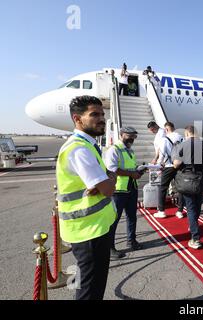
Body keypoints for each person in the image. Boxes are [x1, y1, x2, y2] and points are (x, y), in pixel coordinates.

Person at [55, 95, 117, 300]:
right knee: (90, 290)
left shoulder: (87, 145)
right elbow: (108, 189)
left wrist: (104, 181)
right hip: (89, 231)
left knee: (85, 284)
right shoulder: (80, 149)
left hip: (89, 228)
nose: (102, 118)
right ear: (77, 119)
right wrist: (109, 179)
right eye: (94, 114)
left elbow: (103, 183)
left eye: (102, 114)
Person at [103, 126, 144, 259]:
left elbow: (129, 167)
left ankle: (131, 241)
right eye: (129, 135)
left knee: (132, 216)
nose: (132, 138)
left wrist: (139, 170)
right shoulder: (114, 150)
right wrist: (132, 173)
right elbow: (112, 169)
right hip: (118, 190)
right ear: (121, 135)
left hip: (131, 188)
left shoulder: (130, 151)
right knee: (113, 220)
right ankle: (110, 248)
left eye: (134, 136)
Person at [173, 125, 203, 249]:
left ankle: (195, 238)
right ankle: (193, 225)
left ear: (186, 134)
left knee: (190, 208)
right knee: (197, 205)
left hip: (187, 179)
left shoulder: (182, 145)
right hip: (200, 179)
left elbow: (176, 164)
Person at [152, 122, 185, 219]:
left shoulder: (164, 139)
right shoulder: (182, 137)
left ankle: (162, 211)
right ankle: (180, 211)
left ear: (166, 129)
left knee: (163, 188)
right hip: (180, 165)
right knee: (181, 189)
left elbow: (162, 154)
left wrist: (159, 164)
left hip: (169, 166)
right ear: (173, 128)